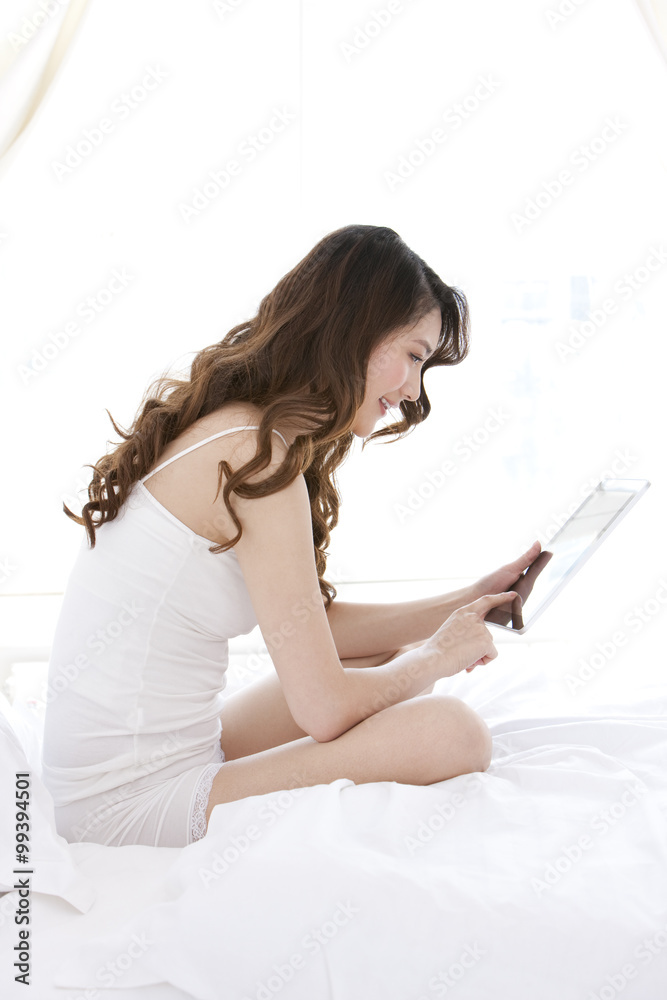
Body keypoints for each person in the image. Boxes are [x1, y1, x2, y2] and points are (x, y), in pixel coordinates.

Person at [40, 223, 539, 849]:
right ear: (356, 329)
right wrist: (439, 656)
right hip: (120, 806)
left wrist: (466, 602)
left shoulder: (239, 429)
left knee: (380, 665)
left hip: (131, 767)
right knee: (456, 732)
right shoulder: (258, 458)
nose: (413, 390)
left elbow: (306, 624)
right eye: (414, 356)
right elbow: (323, 708)